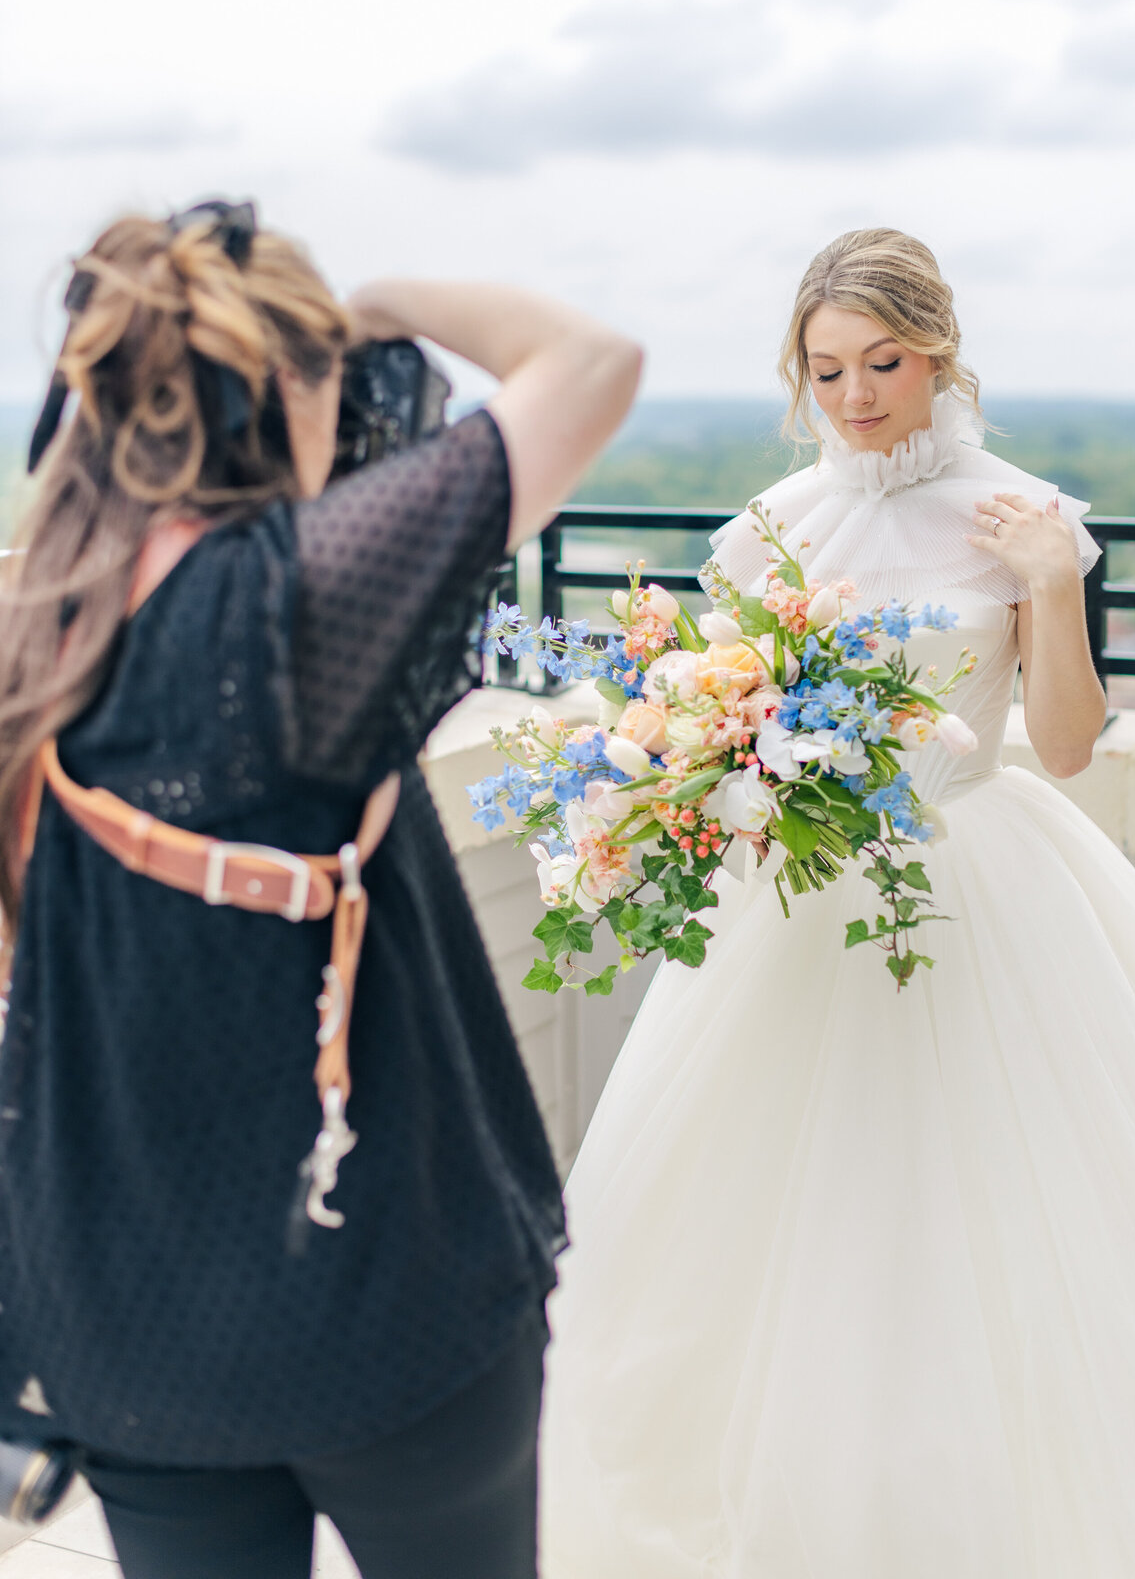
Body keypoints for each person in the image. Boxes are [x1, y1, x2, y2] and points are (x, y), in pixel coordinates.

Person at [540, 228, 1135, 1578]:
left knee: (988, 1234)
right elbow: (716, 714)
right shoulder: (769, 532)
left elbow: (1065, 747)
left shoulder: (1028, 515)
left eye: (882, 363)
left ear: (939, 353)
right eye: (825, 369)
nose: (853, 397)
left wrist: (1052, 585)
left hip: (970, 884)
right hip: (790, 901)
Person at [0, 200, 641, 1578]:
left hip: (132, 1332)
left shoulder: (39, 620)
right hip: (389, 1304)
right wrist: (381, 303)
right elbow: (591, 364)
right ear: (288, 380)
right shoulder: (296, 607)